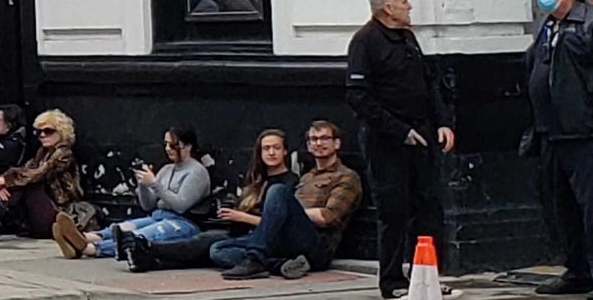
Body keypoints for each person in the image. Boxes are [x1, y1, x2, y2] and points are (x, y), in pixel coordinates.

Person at [347, 0, 455, 300]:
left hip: (423, 136)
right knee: (394, 211)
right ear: (387, 8)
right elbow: (358, 96)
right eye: (404, 0)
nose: (409, 5)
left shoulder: (408, 38)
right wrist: (398, 130)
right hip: (387, 142)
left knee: (429, 208)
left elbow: (428, 83)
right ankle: (392, 280)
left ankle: (427, 277)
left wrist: (442, 122)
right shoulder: (365, 42)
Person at [210, 120, 364, 281]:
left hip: (316, 246)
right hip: (289, 242)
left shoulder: (347, 176)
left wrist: (289, 211)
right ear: (309, 145)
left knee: (278, 191)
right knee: (218, 249)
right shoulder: (306, 177)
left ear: (337, 143)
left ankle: (256, 260)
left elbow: (328, 217)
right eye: (314, 139)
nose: (318, 143)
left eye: (325, 138)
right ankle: (280, 265)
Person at [128, 128, 296, 272]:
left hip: (265, 239)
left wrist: (243, 217)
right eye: (266, 149)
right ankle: (151, 261)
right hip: (242, 233)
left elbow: (282, 224)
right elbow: (147, 205)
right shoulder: (257, 181)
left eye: (276, 148)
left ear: (285, 151)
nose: (271, 153)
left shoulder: (288, 182)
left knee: (215, 250)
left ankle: (149, 248)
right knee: (204, 244)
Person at [524, 0, 593, 297]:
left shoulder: (588, 24)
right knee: (560, 206)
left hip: (584, 132)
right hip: (550, 131)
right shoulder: (546, 26)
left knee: (591, 205)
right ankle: (576, 269)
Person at [56, 124, 210, 259]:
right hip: (158, 216)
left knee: (138, 236)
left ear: (188, 146)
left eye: (173, 145)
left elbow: (181, 206)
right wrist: (142, 185)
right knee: (121, 227)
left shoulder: (197, 172)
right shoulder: (167, 169)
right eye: (166, 144)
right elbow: (148, 206)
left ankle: (89, 249)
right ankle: (83, 238)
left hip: (182, 223)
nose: (168, 149)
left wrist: (155, 184)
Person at [0, 109, 93, 242]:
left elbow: (39, 173)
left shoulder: (63, 154)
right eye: (39, 132)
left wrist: (6, 181)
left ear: (61, 132)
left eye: (48, 131)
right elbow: (24, 169)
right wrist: (4, 182)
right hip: (40, 213)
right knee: (14, 180)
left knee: (30, 184)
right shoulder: (42, 153)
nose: (42, 135)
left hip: (60, 211)